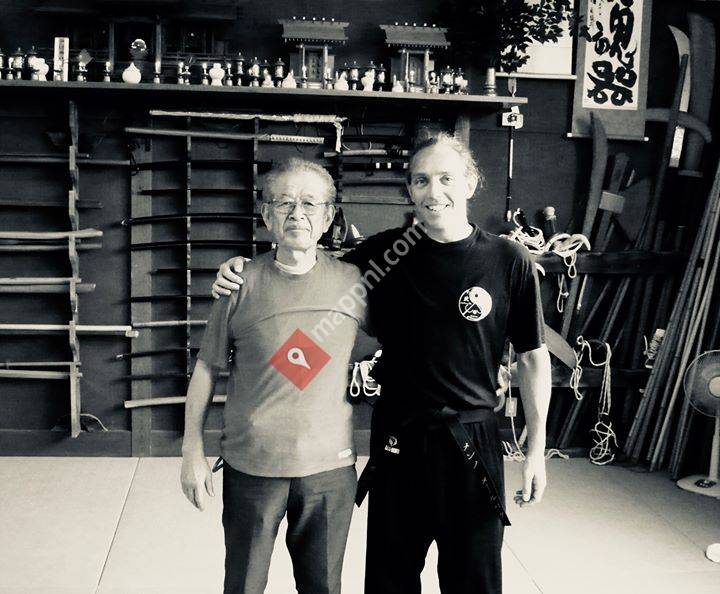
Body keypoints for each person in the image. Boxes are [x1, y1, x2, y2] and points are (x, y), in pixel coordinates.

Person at [212, 133, 551, 594]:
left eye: (446, 178)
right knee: (390, 581)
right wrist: (242, 268)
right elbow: (306, 266)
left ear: (471, 183)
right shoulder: (386, 254)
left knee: (474, 581)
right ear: (409, 189)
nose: (433, 192)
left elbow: (532, 358)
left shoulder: (508, 259)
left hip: (472, 439)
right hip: (399, 438)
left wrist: (535, 453)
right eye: (421, 180)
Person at [181, 157, 366, 594]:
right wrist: (191, 450)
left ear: (328, 217)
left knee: (323, 587)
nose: (297, 214)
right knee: (243, 585)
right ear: (266, 215)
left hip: (329, 470)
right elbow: (206, 367)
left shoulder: (354, 282)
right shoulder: (238, 283)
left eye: (310, 203)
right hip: (252, 465)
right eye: (284, 203)